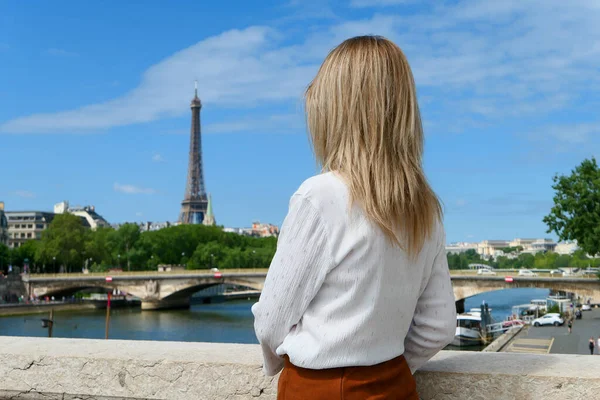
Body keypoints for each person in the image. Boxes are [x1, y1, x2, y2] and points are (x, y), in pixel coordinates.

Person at [252, 35, 456, 400]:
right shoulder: (426, 208)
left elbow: (271, 319)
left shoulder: (319, 197)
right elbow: (439, 327)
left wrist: (287, 366)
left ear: (335, 113)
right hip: (395, 385)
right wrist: (386, 369)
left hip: (319, 388)